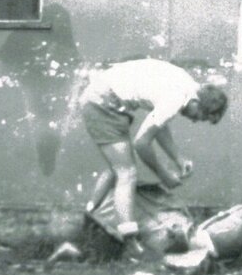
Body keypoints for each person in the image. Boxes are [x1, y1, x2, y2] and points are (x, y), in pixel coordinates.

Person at [79, 58, 227, 242]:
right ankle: (129, 241)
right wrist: (163, 174)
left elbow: (158, 124)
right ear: (196, 102)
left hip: (104, 98)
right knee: (127, 173)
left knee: (116, 168)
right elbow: (141, 143)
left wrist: (178, 158)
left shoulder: (188, 86)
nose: (195, 120)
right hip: (103, 102)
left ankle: (89, 218)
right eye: (199, 116)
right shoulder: (176, 98)